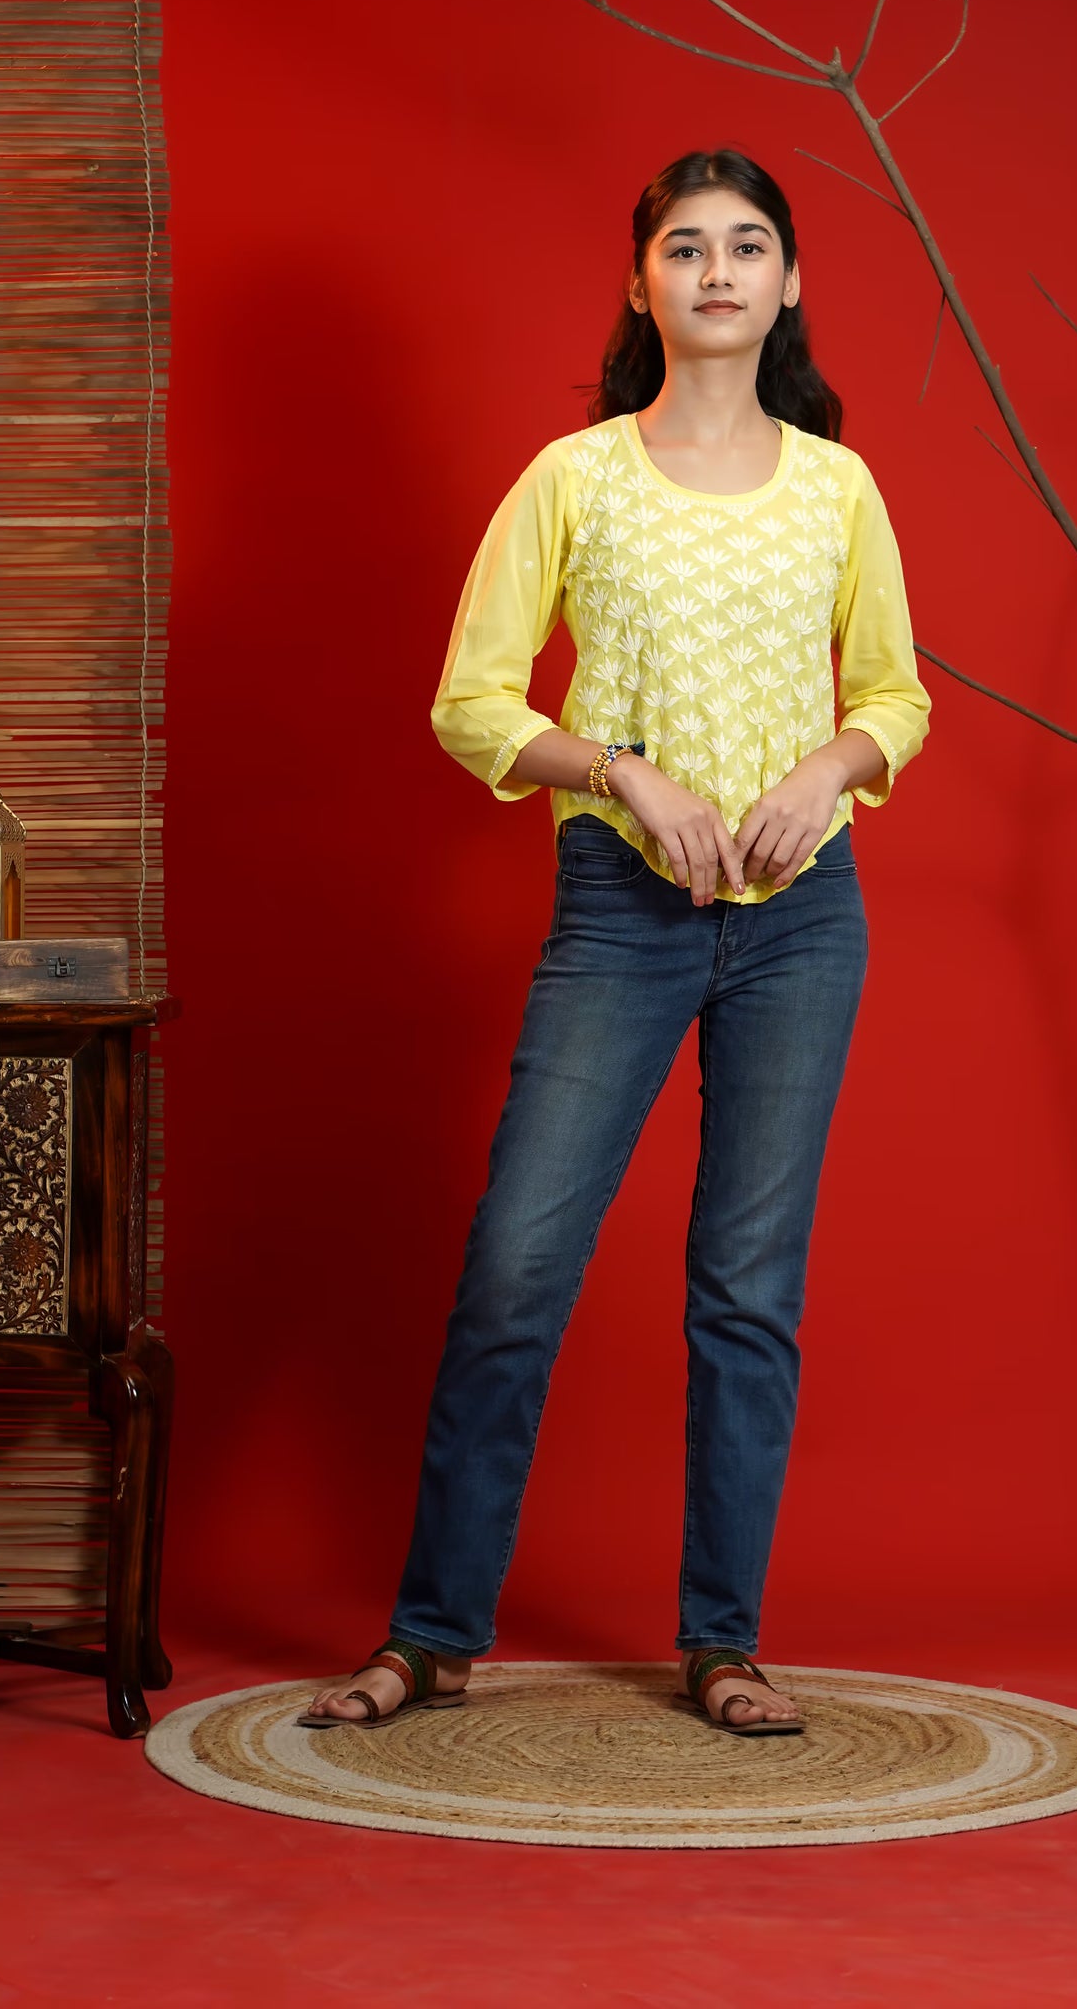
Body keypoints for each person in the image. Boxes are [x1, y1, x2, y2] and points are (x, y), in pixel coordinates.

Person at [302, 147, 931, 1739]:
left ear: (789, 285)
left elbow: (895, 699)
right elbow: (471, 702)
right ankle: (433, 1633)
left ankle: (723, 1644)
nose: (714, 271)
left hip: (801, 924)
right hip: (619, 913)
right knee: (517, 1264)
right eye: (682, 247)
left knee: (744, 1286)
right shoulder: (570, 479)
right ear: (638, 283)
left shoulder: (837, 486)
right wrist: (618, 769)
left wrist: (823, 774)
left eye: (746, 247)